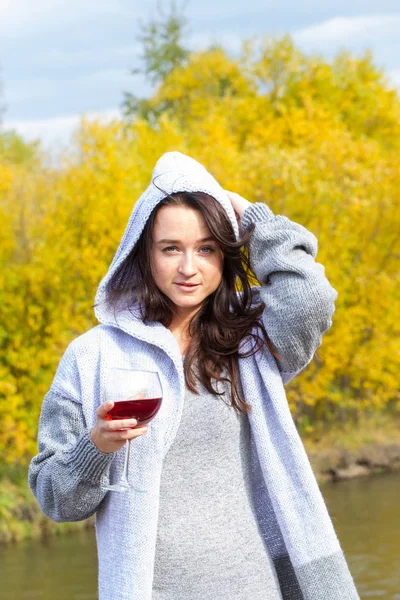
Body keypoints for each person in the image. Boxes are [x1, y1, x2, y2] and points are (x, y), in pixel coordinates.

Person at [29, 151, 359, 600]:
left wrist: (253, 218)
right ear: (143, 254)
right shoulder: (94, 355)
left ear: (225, 254)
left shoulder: (249, 337)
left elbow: (309, 300)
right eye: (171, 249)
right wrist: (97, 446)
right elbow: (56, 499)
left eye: (206, 248)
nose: (189, 268)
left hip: (259, 588)